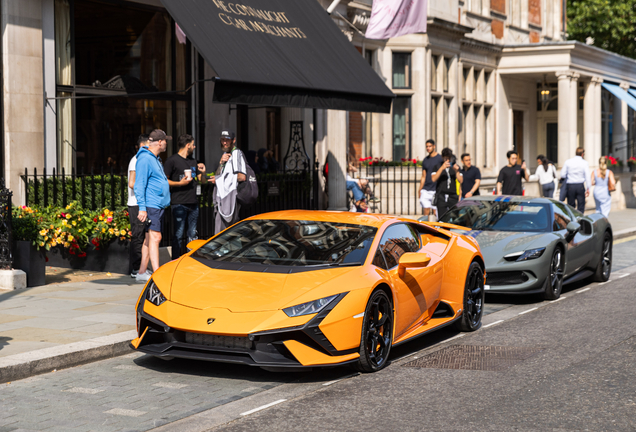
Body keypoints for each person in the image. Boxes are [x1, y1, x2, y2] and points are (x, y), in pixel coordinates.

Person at [134, 129, 171, 283]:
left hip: (157, 205)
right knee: (156, 237)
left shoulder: (155, 158)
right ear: (160, 142)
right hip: (152, 205)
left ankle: (142, 271)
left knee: (149, 239)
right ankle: (157, 274)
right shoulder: (145, 159)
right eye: (165, 141)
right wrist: (142, 208)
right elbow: (139, 185)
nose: (167, 144)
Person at [163, 134, 206, 260]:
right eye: (193, 144)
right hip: (179, 203)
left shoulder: (193, 161)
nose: (194, 146)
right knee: (178, 233)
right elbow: (165, 181)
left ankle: (191, 259)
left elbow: (201, 181)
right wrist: (179, 183)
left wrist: (202, 172)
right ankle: (175, 260)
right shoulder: (171, 161)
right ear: (188, 145)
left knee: (192, 234)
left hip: (193, 203)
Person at [209, 129, 247, 234]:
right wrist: (221, 163)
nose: (224, 143)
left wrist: (219, 180)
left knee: (228, 233)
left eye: (227, 140)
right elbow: (218, 175)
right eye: (222, 140)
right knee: (221, 233)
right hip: (222, 199)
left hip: (231, 199)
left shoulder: (237, 154)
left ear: (233, 140)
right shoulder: (226, 155)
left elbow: (241, 177)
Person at [127, 134, 149, 278]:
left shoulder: (142, 160)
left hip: (141, 203)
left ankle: (141, 268)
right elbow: (132, 183)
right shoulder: (136, 161)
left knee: (143, 236)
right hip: (136, 204)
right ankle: (136, 269)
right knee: (138, 236)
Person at [431, 148, 463, 219]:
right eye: (446, 159)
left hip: (453, 196)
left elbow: (461, 180)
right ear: (442, 157)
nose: (448, 161)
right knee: (442, 218)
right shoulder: (437, 166)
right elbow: (433, 179)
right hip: (441, 196)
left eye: (449, 158)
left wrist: (456, 171)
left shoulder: (455, 166)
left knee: (455, 217)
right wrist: (442, 168)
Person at [418, 139, 443, 220]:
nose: (428, 148)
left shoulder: (440, 159)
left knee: (436, 212)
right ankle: (426, 228)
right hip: (426, 189)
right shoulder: (425, 160)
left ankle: (438, 228)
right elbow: (423, 176)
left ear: (434, 146)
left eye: (430, 146)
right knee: (426, 211)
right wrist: (420, 189)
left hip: (436, 189)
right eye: (427, 147)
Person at [561, 147, 590, 213]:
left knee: (571, 206)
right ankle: (580, 220)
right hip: (580, 185)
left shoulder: (568, 161)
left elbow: (562, 174)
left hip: (570, 185)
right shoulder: (584, 163)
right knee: (581, 206)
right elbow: (587, 176)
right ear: (582, 154)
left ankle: (572, 220)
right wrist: (588, 188)